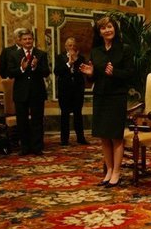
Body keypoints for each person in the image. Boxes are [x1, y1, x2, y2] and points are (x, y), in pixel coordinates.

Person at [80, 16, 134, 188]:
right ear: (99, 32)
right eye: (103, 28)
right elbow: (95, 77)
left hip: (117, 96)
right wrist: (90, 74)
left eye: (110, 27)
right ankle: (109, 170)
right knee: (104, 136)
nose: (107, 30)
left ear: (115, 29)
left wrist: (114, 73)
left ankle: (117, 172)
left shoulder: (125, 49)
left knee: (116, 136)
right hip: (100, 95)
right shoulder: (96, 52)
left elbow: (130, 74)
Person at [7, 28, 50, 156]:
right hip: (21, 93)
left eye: (30, 39)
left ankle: (37, 147)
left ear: (33, 40)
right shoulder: (14, 55)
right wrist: (22, 68)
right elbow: (10, 73)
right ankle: (24, 147)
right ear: (20, 41)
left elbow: (46, 72)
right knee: (22, 121)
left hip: (37, 92)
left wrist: (35, 67)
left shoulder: (41, 54)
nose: (28, 41)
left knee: (37, 121)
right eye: (25, 39)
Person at [54, 37, 89, 146]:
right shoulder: (60, 58)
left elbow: (82, 72)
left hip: (77, 90)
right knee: (64, 115)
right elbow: (57, 72)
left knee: (78, 114)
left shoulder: (81, 58)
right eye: (69, 45)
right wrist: (69, 63)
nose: (72, 47)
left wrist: (76, 60)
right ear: (65, 47)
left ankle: (80, 138)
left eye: (74, 45)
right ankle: (64, 140)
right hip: (65, 91)